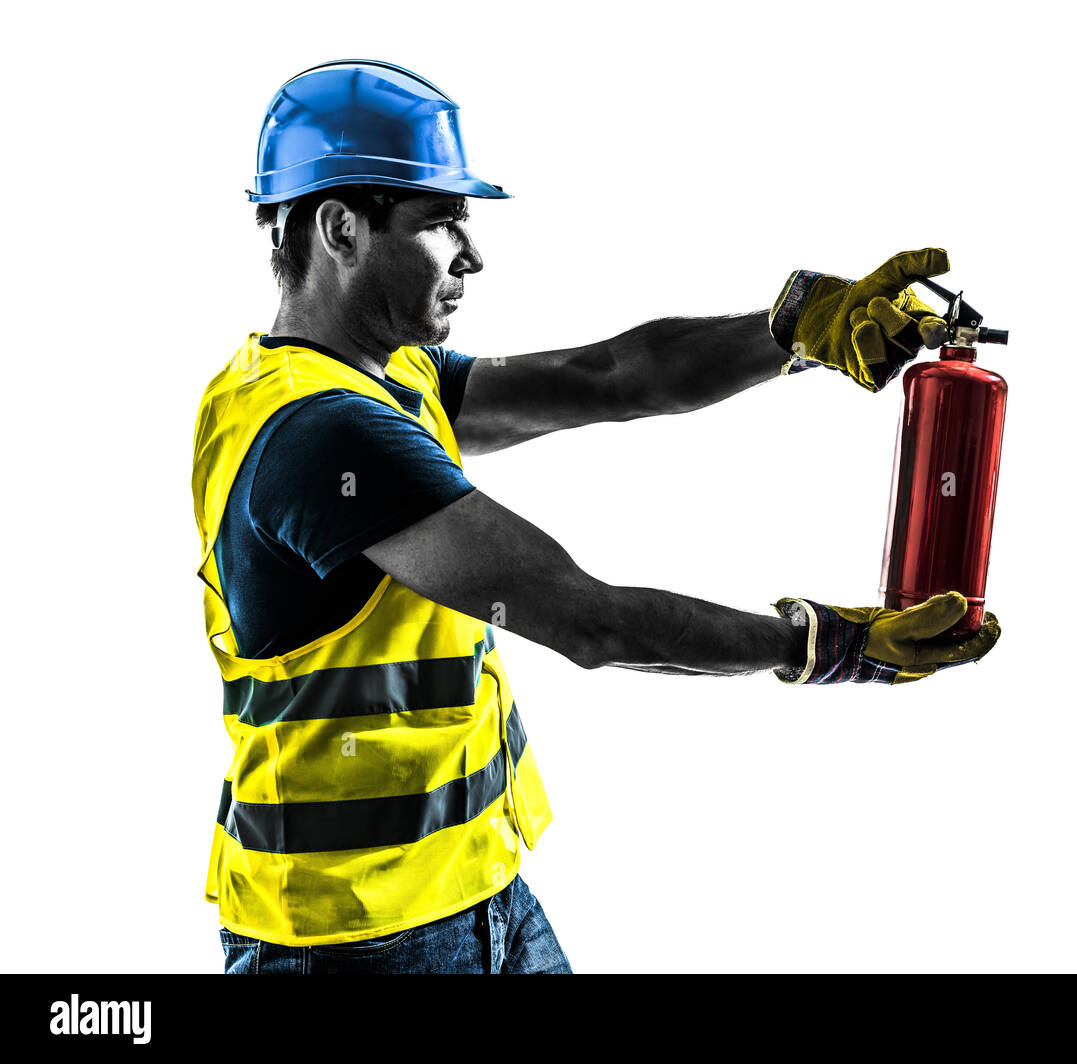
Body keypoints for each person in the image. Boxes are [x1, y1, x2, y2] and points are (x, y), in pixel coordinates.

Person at [192, 59, 1001, 975]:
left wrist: (795, 332)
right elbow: (591, 620)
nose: (472, 252)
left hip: (474, 892)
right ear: (340, 227)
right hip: (354, 944)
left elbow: (611, 378)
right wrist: (830, 647)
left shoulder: (380, 376)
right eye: (440, 219)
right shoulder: (319, 431)